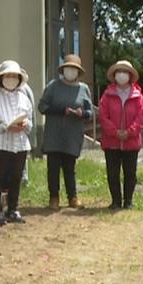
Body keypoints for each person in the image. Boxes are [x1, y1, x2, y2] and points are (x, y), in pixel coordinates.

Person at [39, 54, 94, 209]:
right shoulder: (53, 86)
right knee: (53, 168)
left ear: (78, 72)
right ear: (63, 70)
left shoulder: (83, 89)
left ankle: (73, 197)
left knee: (70, 168)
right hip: (54, 134)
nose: (71, 71)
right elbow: (42, 107)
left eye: (74, 69)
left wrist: (81, 113)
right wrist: (62, 110)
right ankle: (54, 197)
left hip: (72, 134)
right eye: (68, 68)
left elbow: (90, 112)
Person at [0, 60, 34, 224]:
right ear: (1, 78)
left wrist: (25, 125)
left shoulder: (24, 99)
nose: (11, 79)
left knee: (16, 177)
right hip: (1, 143)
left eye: (15, 76)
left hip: (20, 144)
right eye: (8, 76)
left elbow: (31, 122)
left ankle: (12, 209)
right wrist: (6, 127)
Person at [97, 60, 143, 209]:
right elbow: (103, 116)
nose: (121, 75)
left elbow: (141, 117)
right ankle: (115, 201)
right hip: (111, 142)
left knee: (130, 173)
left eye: (124, 72)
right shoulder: (107, 95)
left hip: (131, 142)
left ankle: (128, 201)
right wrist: (115, 132)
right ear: (114, 75)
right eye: (118, 72)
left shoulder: (138, 96)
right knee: (112, 173)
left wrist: (129, 132)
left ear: (130, 75)